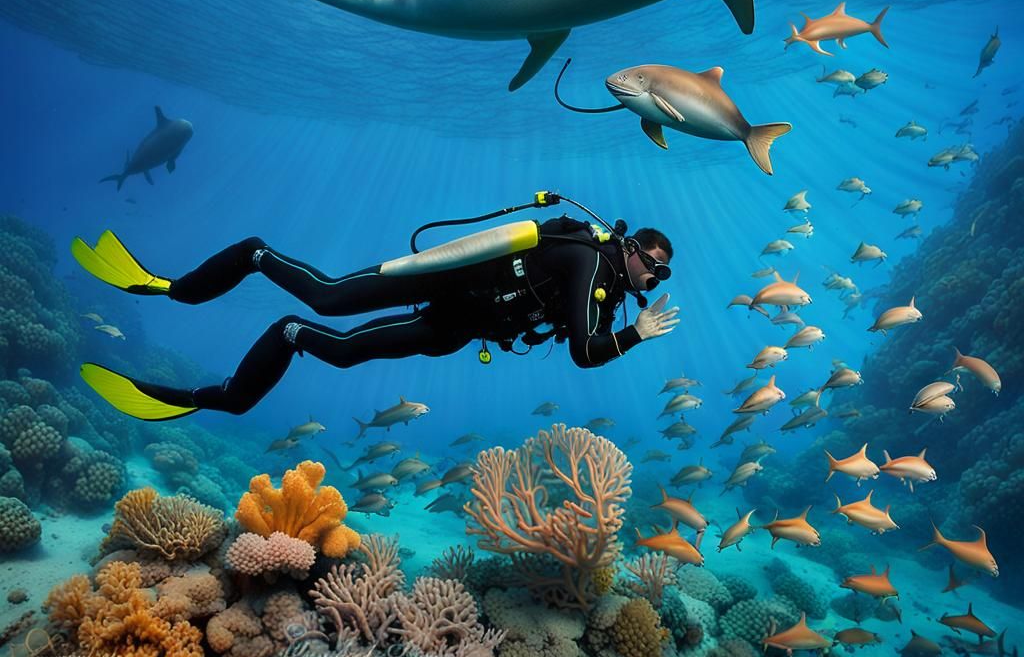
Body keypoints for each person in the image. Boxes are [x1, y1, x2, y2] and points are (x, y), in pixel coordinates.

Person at [72, 207, 679, 421]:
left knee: (336, 347)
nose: (654, 278)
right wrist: (638, 335)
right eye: (653, 263)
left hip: (457, 325)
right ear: (630, 250)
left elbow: (587, 346)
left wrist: (630, 329)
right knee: (329, 296)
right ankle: (203, 272)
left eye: (662, 273)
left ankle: (217, 395)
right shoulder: (587, 261)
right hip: (445, 279)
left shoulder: (608, 288)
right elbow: (584, 353)